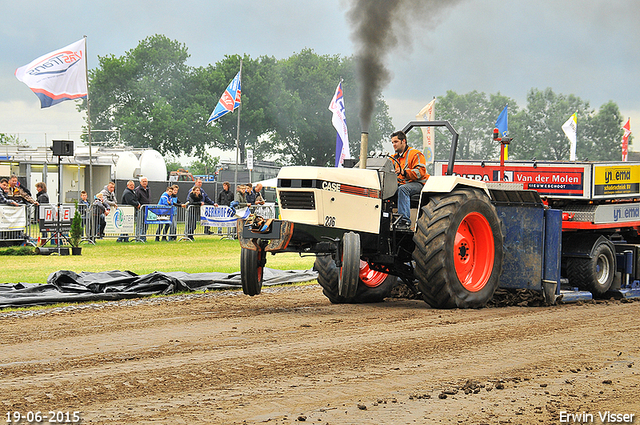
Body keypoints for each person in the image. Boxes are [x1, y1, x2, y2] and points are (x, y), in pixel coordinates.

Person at [390, 130, 428, 230]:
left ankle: (404, 221)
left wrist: (404, 172)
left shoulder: (415, 154)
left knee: (403, 189)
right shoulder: (393, 158)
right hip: (403, 183)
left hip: (418, 183)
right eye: (392, 142)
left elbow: (420, 172)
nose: (394, 145)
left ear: (404, 141)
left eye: (396, 142)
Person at [135, 177, 150, 242]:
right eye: (143, 181)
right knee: (140, 224)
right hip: (140, 209)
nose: (144, 183)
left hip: (147, 209)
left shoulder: (148, 189)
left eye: (146, 181)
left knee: (146, 224)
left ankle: (143, 237)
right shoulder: (137, 190)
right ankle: (138, 238)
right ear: (140, 182)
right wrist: (138, 205)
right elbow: (136, 199)